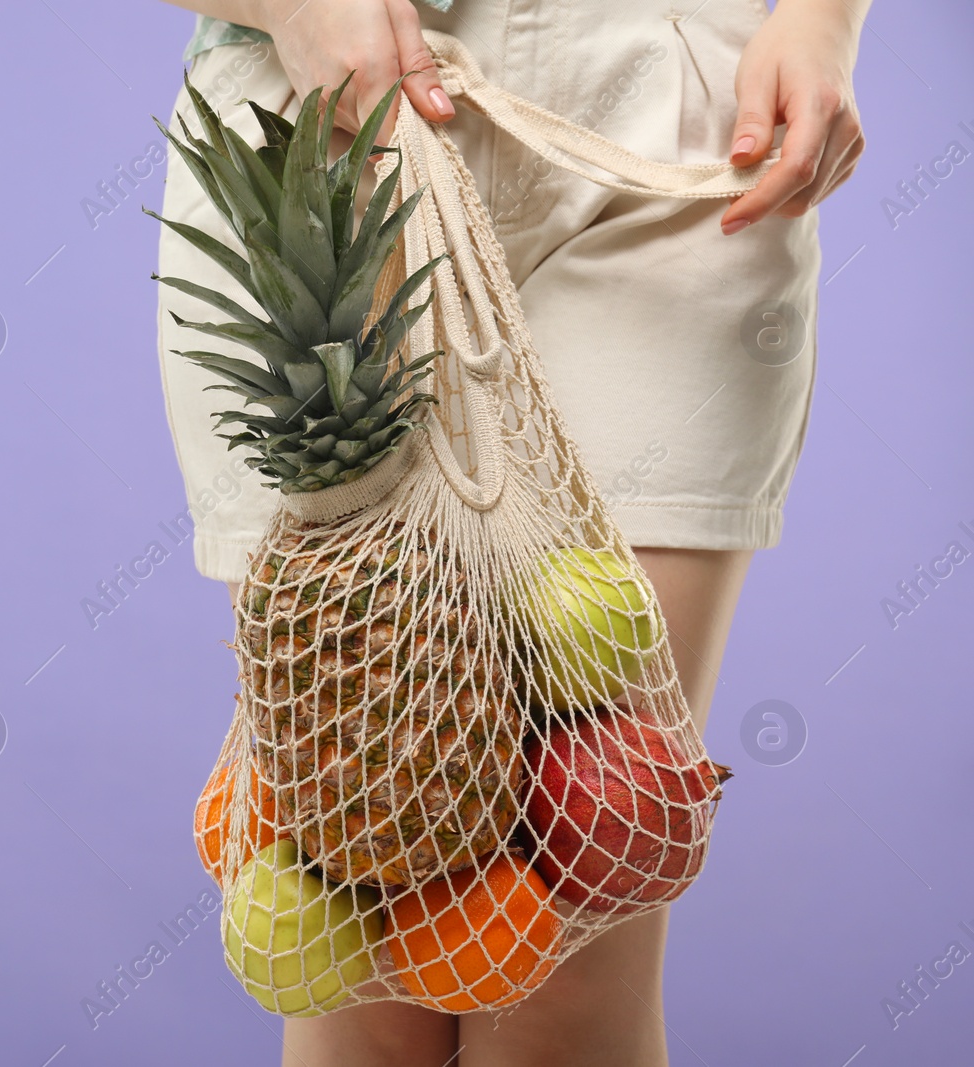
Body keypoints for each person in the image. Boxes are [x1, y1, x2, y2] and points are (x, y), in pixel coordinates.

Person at [152, 0, 867, 1064]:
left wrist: (823, 20)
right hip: (320, 122)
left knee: (579, 933)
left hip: (671, 107)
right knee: (366, 953)